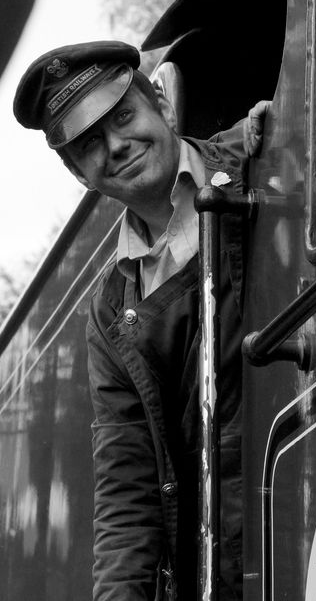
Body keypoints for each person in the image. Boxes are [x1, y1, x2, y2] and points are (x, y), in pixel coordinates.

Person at [13, 41, 267, 601]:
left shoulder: (267, 160)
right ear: (79, 174)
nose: (117, 146)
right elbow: (126, 492)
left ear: (162, 105)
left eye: (123, 116)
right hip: (223, 575)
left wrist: (286, 139)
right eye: (89, 145)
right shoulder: (108, 312)